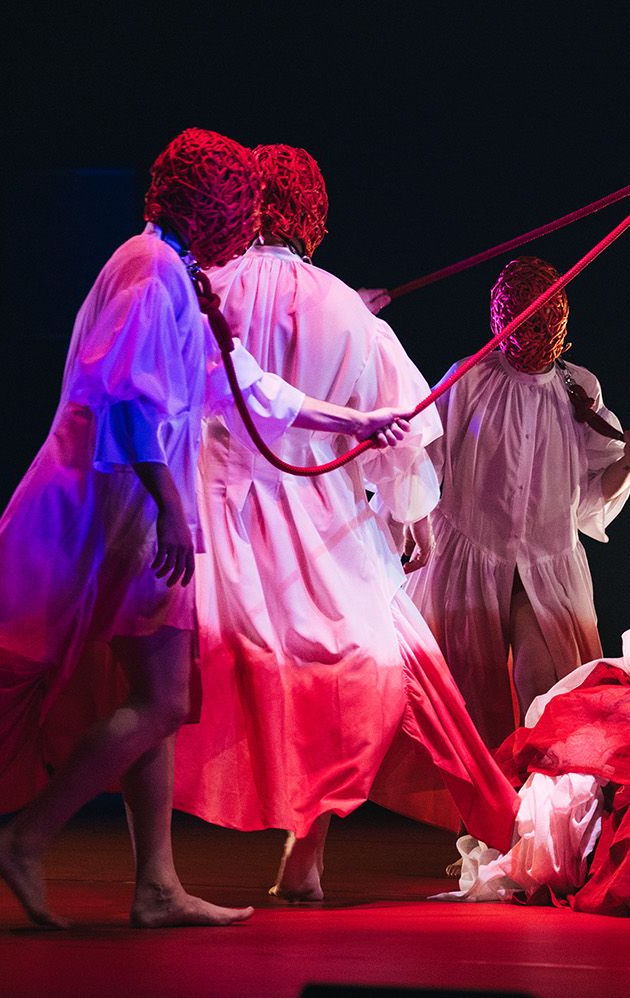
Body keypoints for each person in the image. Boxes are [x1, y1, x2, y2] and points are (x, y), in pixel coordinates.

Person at [0, 128, 416, 930]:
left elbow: (244, 387)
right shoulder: (150, 269)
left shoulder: (173, 273)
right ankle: (29, 839)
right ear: (212, 204)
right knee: (164, 700)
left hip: (135, 507)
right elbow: (128, 398)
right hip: (125, 510)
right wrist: (169, 506)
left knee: (154, 693)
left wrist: (357, 419)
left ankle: (153, 883)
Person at [172, 145, 518, 902]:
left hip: (214, 507)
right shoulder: (338, 305)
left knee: (176, 661)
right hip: (315, 514)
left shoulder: (207, 286)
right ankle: (306, 856)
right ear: (312, 214)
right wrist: (409, 514)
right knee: (344, 671)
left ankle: (154, 868)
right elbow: (393, 418)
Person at [409, 257, 630, 750]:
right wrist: (406, 525)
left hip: (544, 567)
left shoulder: (579, 389)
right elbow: (424, 465)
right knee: (472, 716)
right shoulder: (468, 378)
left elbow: (588, 500)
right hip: (469, 562)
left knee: (543, 695)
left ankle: (535, 820)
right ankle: (480, 826)